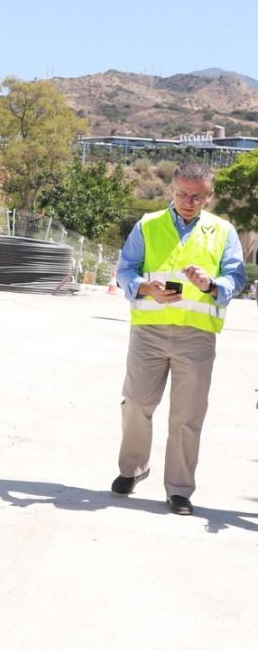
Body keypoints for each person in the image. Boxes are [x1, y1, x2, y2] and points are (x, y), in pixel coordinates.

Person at [110, 163, 245, 515]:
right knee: (137, 402)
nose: (188, 201)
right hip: (149, 332)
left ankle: (179, 489)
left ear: (209, 196)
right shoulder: (148, 225)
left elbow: (236, 277)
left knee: (187, 415)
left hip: (197, 337)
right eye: (182, 194)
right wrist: (144, 287)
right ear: (172, 190)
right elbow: (126, 269)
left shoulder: (224, 231)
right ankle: (133, 469)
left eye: (197, 195)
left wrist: (211, 285)